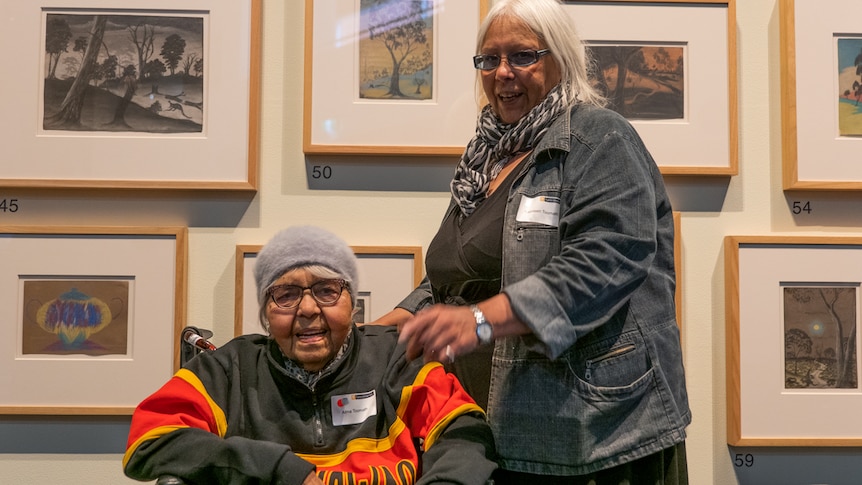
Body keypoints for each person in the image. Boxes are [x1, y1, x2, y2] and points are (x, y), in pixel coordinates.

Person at [376, 0, 691, 483]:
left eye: (523, 55)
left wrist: (480, 322)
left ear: (561, 58)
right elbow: (461, 274)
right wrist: (400, 320)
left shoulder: (600, 139)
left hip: (592, 440)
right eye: (489, 59)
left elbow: (603, 264)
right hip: (485, 427)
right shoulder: (485, 157)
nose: (503, 73)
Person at [123, 226, 497, 485]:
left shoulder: (396, 359)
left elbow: (464, 433)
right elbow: (149, 440)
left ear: (353, 306)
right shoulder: (228, 370)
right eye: (285, 294)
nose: (307, 309)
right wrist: (280, 470)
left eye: (326, 291)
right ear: (265, 314)